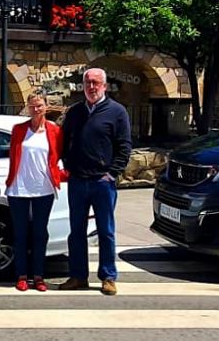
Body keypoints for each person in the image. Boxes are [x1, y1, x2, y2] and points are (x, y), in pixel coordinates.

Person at [57, 67, 132, 296]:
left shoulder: (117, 112)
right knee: (76, 232)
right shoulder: (75, 112)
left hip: (103, 183)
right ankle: (78, 276)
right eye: (88, 82)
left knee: (105, 231)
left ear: (104, 86)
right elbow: (65, 140)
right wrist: (68, 166)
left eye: (96, 83)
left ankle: (108, 277)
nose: (91, 87)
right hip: (78, 181)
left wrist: (112, 173)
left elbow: (125, 146)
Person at [5, 91, 67, 292]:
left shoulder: (54, 130)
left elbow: (57, 157)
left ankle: (39, 276)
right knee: (21, 234)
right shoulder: (19, 129)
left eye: (39, 105)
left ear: (46, 107)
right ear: (28, 107)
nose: (36, 109)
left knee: (40, 234)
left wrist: (63, 174)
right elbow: (14, 156)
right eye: (32, 106)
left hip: (44, 188)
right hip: (19, 189)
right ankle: (22, 275)